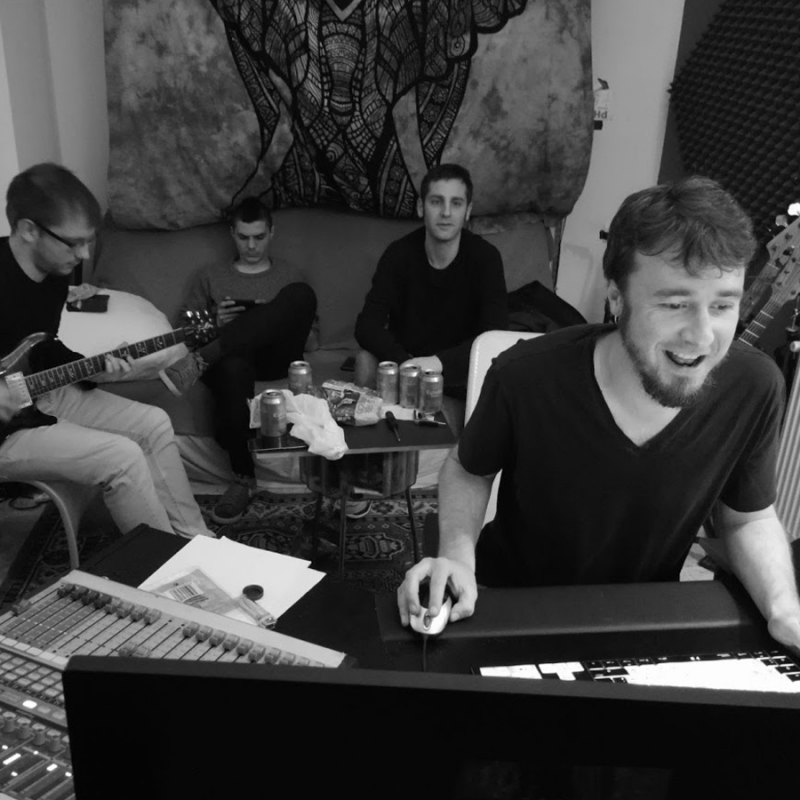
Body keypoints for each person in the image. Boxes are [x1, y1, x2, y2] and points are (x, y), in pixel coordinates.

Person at [397, 175, 800, 656]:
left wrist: (784, 608)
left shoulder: (755, 386)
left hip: (643, 621)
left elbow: (747, 518)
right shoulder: (525, 374)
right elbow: (469, 469)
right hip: (511, 607)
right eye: (675, 304)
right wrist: (457, 560)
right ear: (616, 298)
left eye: (722, 305)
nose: (702, 336)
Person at [0, 162, 212, 538]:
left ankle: (197, 540)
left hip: (38, 395)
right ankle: (159, 563)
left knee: (154, 423)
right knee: (122, 456)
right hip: (6, 435)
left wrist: (91, 368)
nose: (83, 255)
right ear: (29, 230)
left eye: (89, 241)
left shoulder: (55, 273)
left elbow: (43, 346)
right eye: (73, 242)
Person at [160, 197, 316, 524]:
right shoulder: (210, 276)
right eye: (243, 237)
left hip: (275, 357)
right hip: (230, 361)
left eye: (259, 237)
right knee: (233, 367)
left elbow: (312, 340)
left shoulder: (290, 274)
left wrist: (269, 320)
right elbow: (184, 332)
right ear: (232, 233)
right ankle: (243, 480)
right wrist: (215, 322)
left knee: (301, 294)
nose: (251, 246)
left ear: (272, 233)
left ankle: (200, 361)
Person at [353, 163, 508, 414]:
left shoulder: (486, 258)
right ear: (420, 207)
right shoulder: (398, 254)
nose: (446, 212)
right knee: (364, 361)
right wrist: (407, 363)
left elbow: (495, 336)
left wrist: (438, 363)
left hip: (457, 375)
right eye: (436, 202)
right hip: (406, 368)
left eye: (456, 203)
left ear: (468, 211)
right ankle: (372, 433)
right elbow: (366, 325)